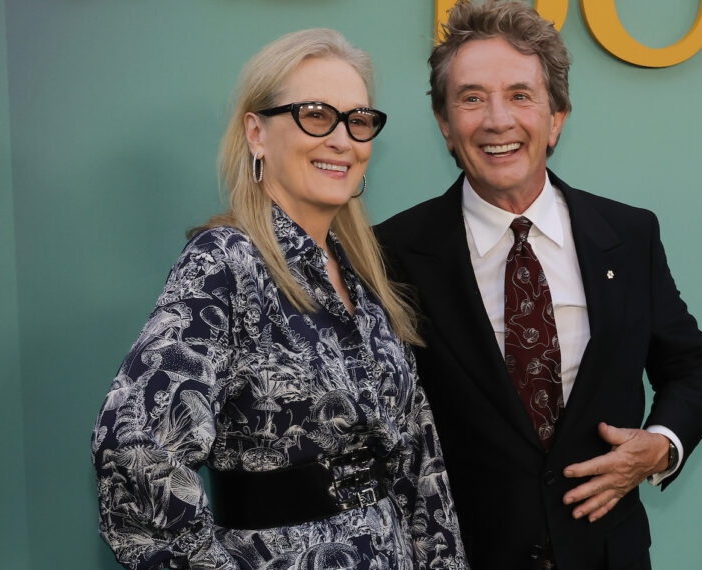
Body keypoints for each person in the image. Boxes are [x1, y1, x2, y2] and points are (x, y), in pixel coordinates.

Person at [92, 28, 466, 570]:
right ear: (256, 133)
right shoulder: (225, 264)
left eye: (358, 121)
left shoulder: (366, 275)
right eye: (316, 114)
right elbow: (134, 452)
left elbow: (418, 460)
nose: (343, 139)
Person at [375, 2, 702, 568]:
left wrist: (660, 446)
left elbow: (694, 366)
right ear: (444, 123)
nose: (497, 120)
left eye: (520, 95)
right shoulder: (390, 253)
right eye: (471, 98)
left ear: (556, 116)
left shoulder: (628, 234)